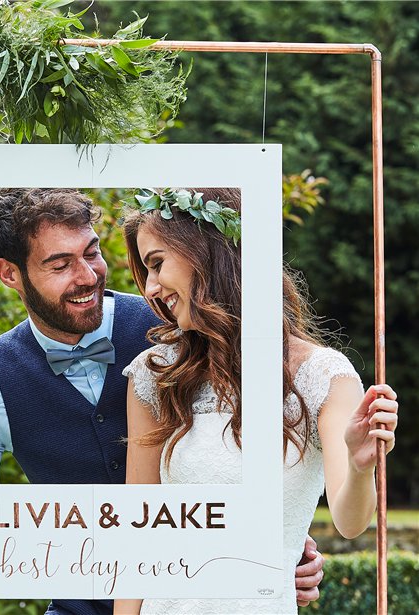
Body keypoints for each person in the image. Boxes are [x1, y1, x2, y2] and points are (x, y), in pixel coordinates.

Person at [0, 188, 325, 615]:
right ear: (9, 273)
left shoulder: (179, 327)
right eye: (60, 265)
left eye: (91, 253)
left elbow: (263, 438)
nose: (89, 276)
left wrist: (287, 545)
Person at [114, 188, 399, 615]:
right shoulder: (156, 374)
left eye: (157, 263)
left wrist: (362, 468)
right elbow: (139, 536)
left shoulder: (324, 375)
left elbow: (350, 521)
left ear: (207, 252)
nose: (151, 288)